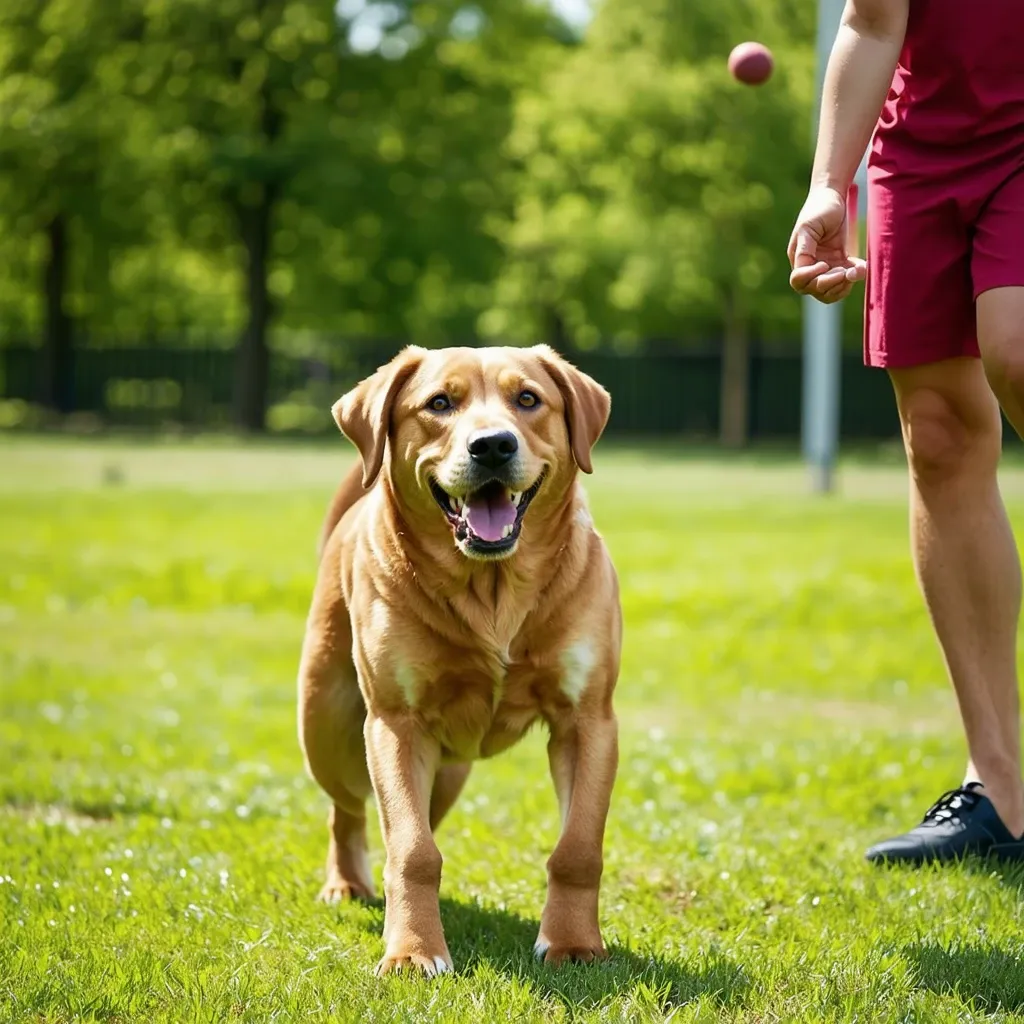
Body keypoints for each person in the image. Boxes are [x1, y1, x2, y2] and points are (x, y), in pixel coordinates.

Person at [788, 0, 1024, 864]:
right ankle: (999, 789)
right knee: (938, 435)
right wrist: (827, 184)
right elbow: (874, 19)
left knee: (1017, 345)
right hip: (918, 152)